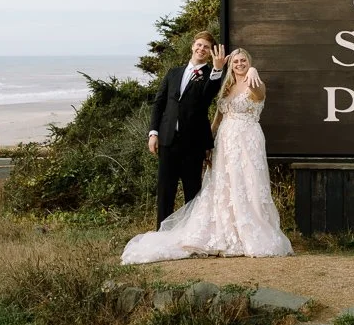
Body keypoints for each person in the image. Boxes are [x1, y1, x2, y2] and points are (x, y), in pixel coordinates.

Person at [122, 47, 294, 264]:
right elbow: (217, 119)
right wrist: (208, 144)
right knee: (224, 185)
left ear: (249, 62)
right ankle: (224, 228)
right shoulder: (227, 86)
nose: (239, 64)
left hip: (246, 141)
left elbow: (259, 95)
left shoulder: (255, 83)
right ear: (230, 65)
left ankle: (249, 231)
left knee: (247, 183)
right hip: (224, 143)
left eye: (243, 61)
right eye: (236, 62)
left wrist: (254, 72)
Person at [147, 33, 227, 227]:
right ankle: (162, 233)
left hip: (193, 144)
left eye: (206, 47)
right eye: (199, 45)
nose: (201, 49)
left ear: (210, 53)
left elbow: (207, 97)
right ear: (192, 46)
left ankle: (190, 233)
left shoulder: (211, 76)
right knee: (166, 190)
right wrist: (153, 133)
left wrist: (217, 69)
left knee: (192, 191)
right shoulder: (173, 73)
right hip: (167, 140)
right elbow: (159, 103)